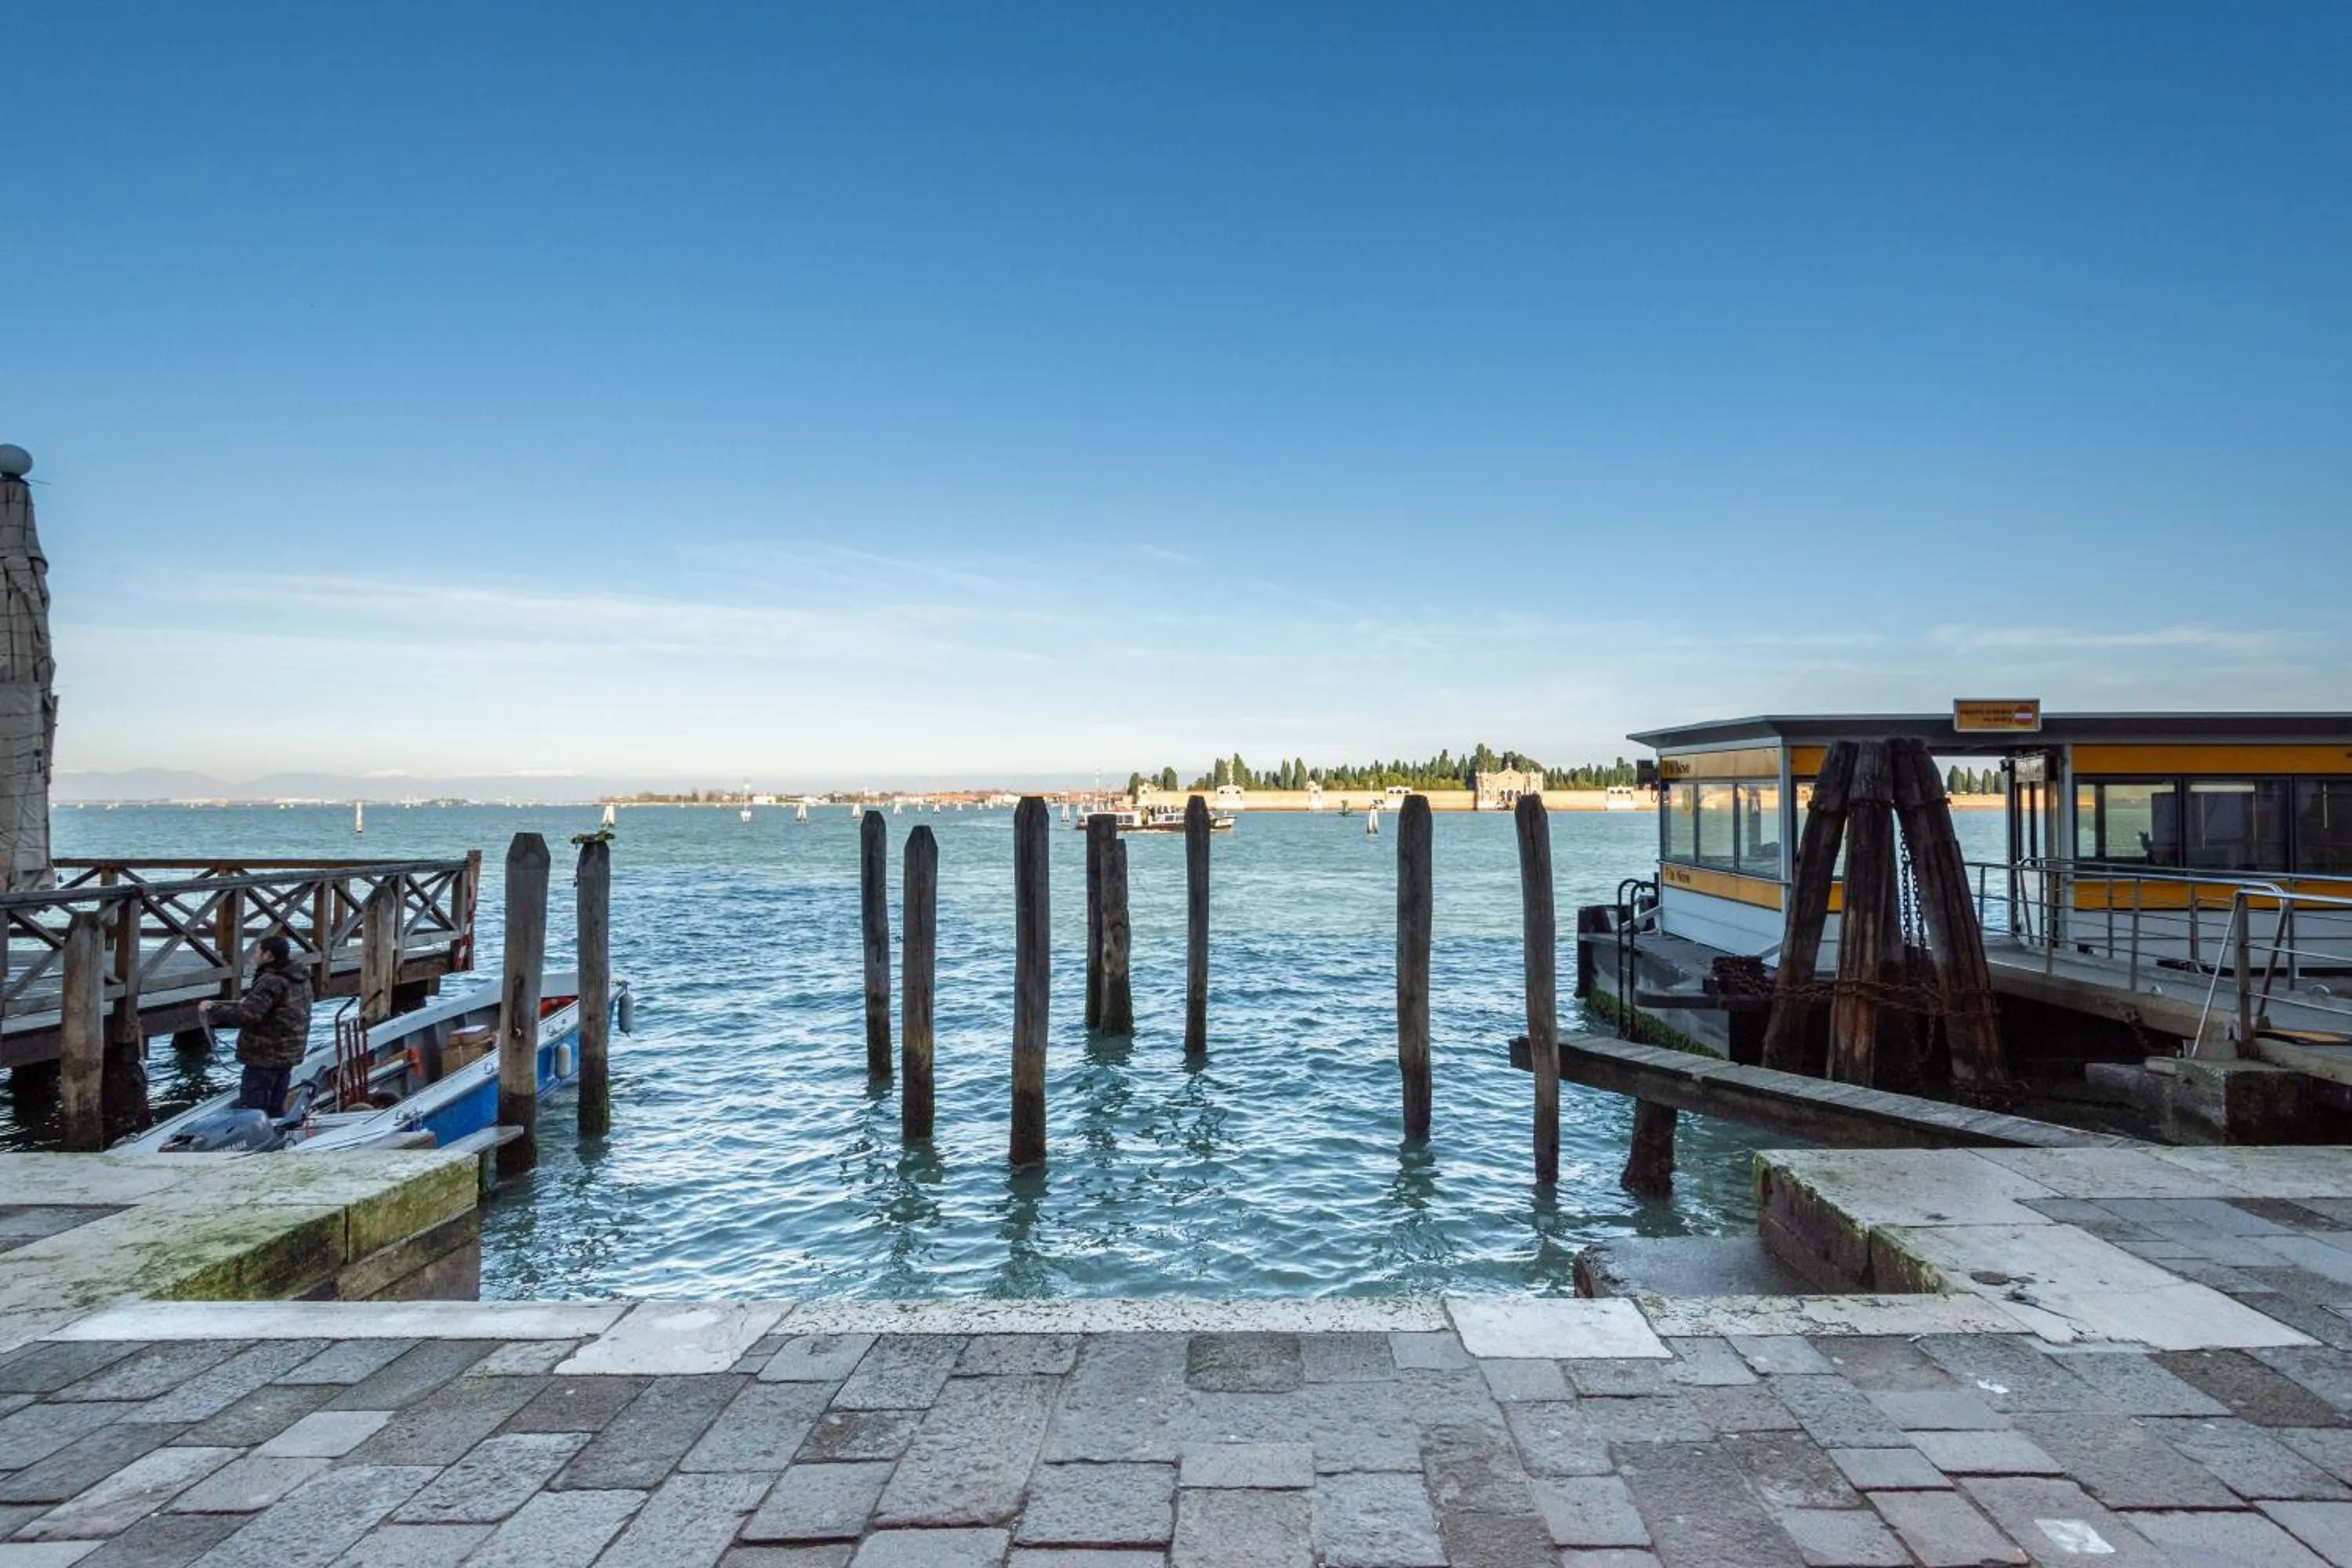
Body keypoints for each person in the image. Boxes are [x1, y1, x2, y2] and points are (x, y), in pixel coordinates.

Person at [198, 934, 313, 1117]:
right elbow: (278, 1007)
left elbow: (248, 1015)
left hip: (265, 1055)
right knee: (276, 1105)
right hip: (290, 1052)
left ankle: (259, 1143)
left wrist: (213, 1009)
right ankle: (278, 1137)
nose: (254, 957)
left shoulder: (271, 981)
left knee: (253, 1109)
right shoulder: (300, 977)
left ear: (269, 956)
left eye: (258, 952)